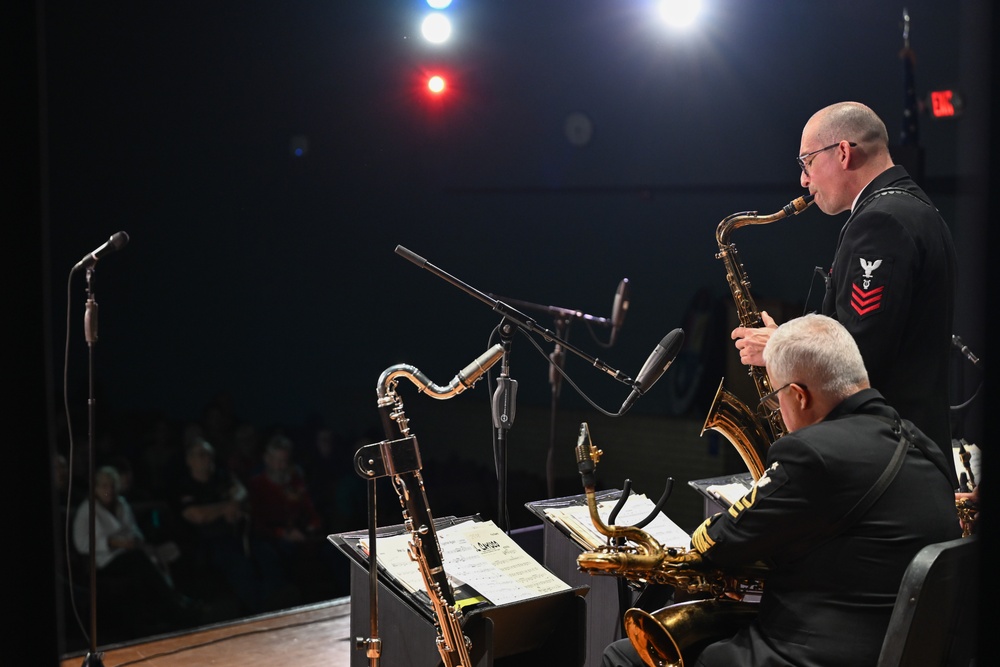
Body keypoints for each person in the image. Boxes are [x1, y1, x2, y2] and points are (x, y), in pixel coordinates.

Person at [602, 314, 961, 667]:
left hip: (809, 654)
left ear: (799, 395)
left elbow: (718, 543)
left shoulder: (813, 450)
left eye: (775, 398)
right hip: (900, 652)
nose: (776, 409)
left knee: (623, 655)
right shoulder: (925, 446)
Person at [730, 101, 958, 486]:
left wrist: (780, 346)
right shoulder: (913, 207)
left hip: (887, 467)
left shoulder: (881, 222)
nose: (803, 180)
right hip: (908, 458)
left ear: (843, 152)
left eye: (806, 162)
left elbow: (859, 359)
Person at [72, 465, 196, 639]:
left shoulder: (122, 504)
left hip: (129, 553)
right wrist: (113, 542)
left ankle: (162, 614)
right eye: (104, 486)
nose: (109, 490)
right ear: (96, 488)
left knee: (157, 556)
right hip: (105, 560)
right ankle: (175, 604)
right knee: (137, 560)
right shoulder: (87, 509)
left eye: (112, 485)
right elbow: (81, 543)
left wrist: (133, 540)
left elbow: (134, 530)